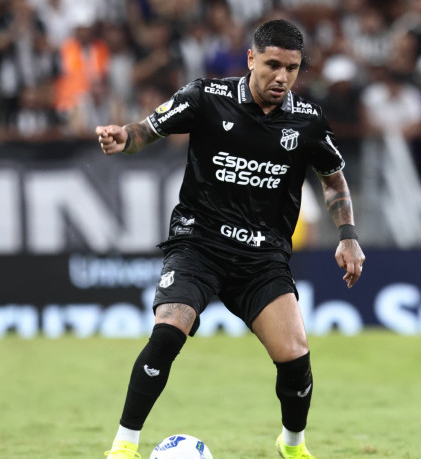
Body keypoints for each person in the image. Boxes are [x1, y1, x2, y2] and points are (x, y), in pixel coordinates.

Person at [96, 19, 365, 459]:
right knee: (168, 331)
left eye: (292, 68)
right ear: (251, 59)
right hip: (198, 245)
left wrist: (348, 236)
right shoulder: (206, 97)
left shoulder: (308, 121)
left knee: (295, 357)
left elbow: (333, 180)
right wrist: (124, 137)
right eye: (273, 64)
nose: (282, 77)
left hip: (262, 258)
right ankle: (123, 446)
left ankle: (292, 446)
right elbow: (147, 130)